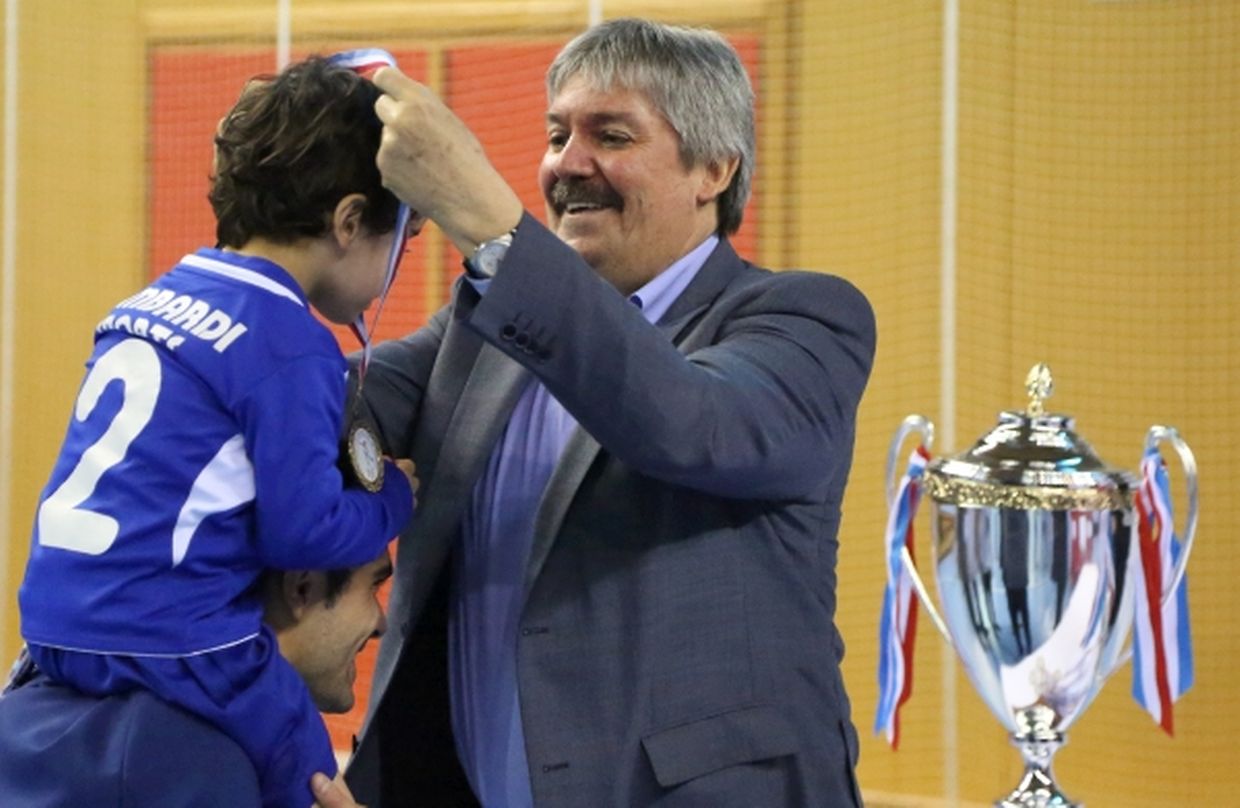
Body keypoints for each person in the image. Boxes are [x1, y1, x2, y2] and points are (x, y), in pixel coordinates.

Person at [346, 17, 876, 808]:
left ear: (714, 168)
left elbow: (689, 424)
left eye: (612, 136)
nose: (568, 163)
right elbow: (328, 404)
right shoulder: (484, 323)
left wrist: (493, 227)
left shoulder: (802, 319)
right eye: (558, 133)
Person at [16, 56, 416, 808]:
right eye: (405, 238)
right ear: (351, 220)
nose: (397, 267)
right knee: (300, 754)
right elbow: (306, 532)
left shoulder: (156, 297)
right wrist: (395, 494)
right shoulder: (290, 341)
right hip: (172, 638)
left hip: (51, 624)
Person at [0, 550, 393, 808]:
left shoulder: (47, 688)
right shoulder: (197, 758)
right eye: (374, 586)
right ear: (301, 587)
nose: (382, 622)